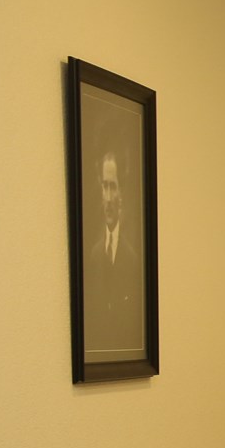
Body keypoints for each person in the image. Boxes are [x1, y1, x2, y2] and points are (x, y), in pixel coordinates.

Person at [83, 148, 142, 355]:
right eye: (105, 186)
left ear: (121, 194)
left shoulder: (132, 258)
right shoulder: (94, 254)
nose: (108, 198)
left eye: (113, 187)